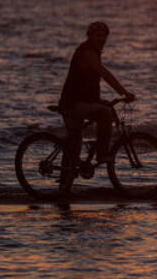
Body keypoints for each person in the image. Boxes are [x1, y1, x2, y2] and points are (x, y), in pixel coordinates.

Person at [58, 22, 136, 174]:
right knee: (105, 114)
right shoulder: (88, 52)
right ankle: (102, 154)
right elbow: (104, 73)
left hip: (77, 102)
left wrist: (101, 101)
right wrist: (124, 92)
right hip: (73, 104)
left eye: (104, 36)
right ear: (90, 36)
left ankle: (64, 187)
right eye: (97, 35)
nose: (101, 39)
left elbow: (87, 86)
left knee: (73, 146)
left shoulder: (92, 51)